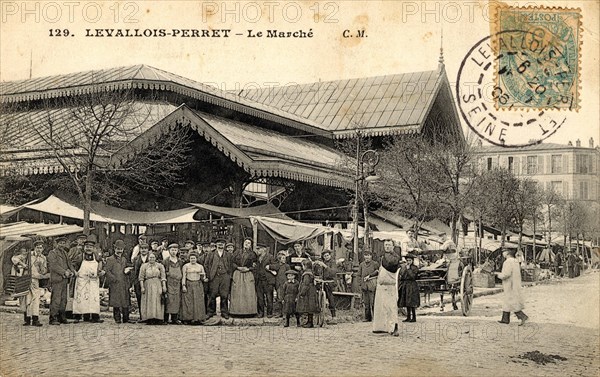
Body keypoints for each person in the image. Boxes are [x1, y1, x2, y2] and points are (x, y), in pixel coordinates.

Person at [15, 240, 50, 327]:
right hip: (26, 279)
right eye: (37, 247)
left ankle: (35, 319)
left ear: (43, 249)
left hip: (35, 280)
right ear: (34, 248)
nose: (39, 249)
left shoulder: (43, 258)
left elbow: (44, 271)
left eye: (41, 248)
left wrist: (42, 267)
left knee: (36, 299)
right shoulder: (28, 254)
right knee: (26, 299)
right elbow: (14, 258)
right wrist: (23, 265)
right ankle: (27, 319)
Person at [72, 239, 105, 323]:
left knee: (93, 299)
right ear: (84, 248)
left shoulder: (97, 257)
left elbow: (101, 265)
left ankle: (95, 317)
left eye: (90, 247)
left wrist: (101, 271)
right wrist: (75, 272)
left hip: (93, 281)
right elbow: (72, 265)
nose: (88, 249)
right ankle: (78, 317)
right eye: (87, 247)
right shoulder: (79, 257)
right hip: (82, 281)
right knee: (81, 298)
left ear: (93, 248)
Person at [373, 239, 400, 336]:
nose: (387, 247)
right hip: (381, 285)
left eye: (389, 245)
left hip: (390, 285)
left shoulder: (395, 257)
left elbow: (390, 264)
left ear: (393, 246)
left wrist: (384, 256)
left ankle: (393, 327)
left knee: (391, 307)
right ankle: (382, 327)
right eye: (385, 245)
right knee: (381, 306)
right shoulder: (382, 256)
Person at [495, 248, 528, 326]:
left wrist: (497, 275)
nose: (503, 254)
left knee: (511, 301)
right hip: (515, 283)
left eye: (503, 252)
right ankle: (505, 319)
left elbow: (506, 274)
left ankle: (522, 316)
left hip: (509, 284)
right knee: (508, 301)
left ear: (507, 253)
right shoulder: (515, 261)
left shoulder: (507, 262)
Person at [47, 236, 75, 325]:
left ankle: (62, 316)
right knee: (56, 299)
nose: (62, 245)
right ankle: (53, 317)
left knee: (63, 299)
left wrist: (72, 271)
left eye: (63, 243)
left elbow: (69, 263)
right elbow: (53, 265)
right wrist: (64, 272)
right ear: (56, 244)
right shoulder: (52, 253)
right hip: (57, 279)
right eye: (60, 243)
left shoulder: (65, 253)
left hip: (65, 279)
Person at [104, 239, 134, 324]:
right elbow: (107, 271)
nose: (119, 251)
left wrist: (128, 271)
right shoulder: (110, 259)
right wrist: (113, 279)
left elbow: (126, 269)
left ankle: (126, 318)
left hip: (124, 283)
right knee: (116, 301)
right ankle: (117, 318)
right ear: (114, 249)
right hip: (115, 283)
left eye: (121, 249)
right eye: (118, 249)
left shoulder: (124, 259)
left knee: (125, 301)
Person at [204, 239, 234, 319]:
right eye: (219, 243)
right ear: (216, 244)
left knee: (224, 295)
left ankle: (224, 312)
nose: (220, 245)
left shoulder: (228, 255)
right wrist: (209, 275)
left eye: (222, 243)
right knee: (212, 295)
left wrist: (229, 275)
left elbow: (231, 265)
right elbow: (206, 265)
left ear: (224, 245)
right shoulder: (211, 254)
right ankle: (211, 312)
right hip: (214, 277)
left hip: (225, 277)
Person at [230, 238, 258, 316]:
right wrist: (238, 267)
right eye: (245, 242)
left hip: (248, 274)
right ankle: (236, 312)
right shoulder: (237, 252)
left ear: (251, 245)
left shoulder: (253, 254)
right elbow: (232, 262)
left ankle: (249, 312)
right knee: (237, 292)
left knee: (248, 292)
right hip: (238, 273)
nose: (247, 244)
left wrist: (248, 269)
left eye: (249, 243)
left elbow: (255, 265)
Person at [139, 252, 167, 325]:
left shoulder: (160, 266)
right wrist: (142, 287)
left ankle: (158, 318)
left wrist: (164, 286)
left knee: (157, 300)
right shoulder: (144, 266)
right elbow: (141, 277)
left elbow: (163, 277)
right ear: (148, 258)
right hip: (148, 284)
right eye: (150, 257)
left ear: (156, 258)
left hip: (157, 284)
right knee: (149, 300)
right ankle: (149, 318)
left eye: (153, 257)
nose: (151, 259)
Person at [181, 252, 208, 325]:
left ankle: (198, 318)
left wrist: (204, 279)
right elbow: (183, 276)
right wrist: (183, 285)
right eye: (191, 258)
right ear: (189, 259)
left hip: (198, 284)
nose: (192, 260)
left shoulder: (200, 266)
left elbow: (204, 276)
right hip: (189, 284)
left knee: (198, 301)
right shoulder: (186, 266)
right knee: (188, 302)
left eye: (194, 258)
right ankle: (188, 319)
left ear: (196, 259)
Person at [163, 243, 184, 325]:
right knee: (168, 300)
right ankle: (165, 318)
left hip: (177, 283)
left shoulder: (180, 261)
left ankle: (174, 318)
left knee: (176, 300)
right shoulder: (166, 261)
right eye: (172, 250)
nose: (174, 252)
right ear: (169, 251)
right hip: (169, 282)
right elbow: (163, 272)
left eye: (175, 250)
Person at [314, 249, 337, 322]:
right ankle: (319, 314)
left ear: (330, 255)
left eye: (327, 255)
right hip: (323, 281)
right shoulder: (322, 262)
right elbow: (319, 272)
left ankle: (334, 316)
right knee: (318, 295)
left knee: (330, 298)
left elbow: (333, 272)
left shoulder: (333, 262)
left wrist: (325, 266)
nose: (326, 257)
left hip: (330, 281)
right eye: (325, 256)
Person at [255, 244, 277, 318]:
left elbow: (277, 266)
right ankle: (260, 313)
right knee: (260, 297)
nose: (257, 251)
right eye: (257, 249)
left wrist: (270, 266)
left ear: (264, 249)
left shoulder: (270, 257)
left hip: (268, 281)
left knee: (269, 297)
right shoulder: (257, 258)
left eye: (259, 249)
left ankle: (269, 313)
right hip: (259, 281)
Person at [296, 259, 319, 328]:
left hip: (308, 292)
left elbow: (306, 284)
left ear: (305, 266)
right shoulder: (310, 272)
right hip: (311, 291)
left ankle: (310, 323)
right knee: (310, 307)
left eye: (302, 265)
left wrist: (302, 293)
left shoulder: (306, 274)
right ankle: (309, 321)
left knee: (309, 307)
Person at [358, 250, 379, 322]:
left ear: (371, 256)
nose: (367, 257)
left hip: (372, 285)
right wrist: (360, 284)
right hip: (364, 286)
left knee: (373, 302)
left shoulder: (375, 264)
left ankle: (376, 318)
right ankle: (367, 317)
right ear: (364, 256)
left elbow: (377, 272)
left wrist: (370, 276)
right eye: (366, 255)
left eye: (368, 255)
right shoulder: (361, 264)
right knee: (366, 303)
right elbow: (359, 275)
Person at [399, 253, 420, 322]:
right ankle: (408, 317)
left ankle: (413, 317)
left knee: (412, 302)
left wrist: (408, 270)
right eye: (407, 260)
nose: (408, 262)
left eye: (410, 260)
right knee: (406, 301)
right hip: (406, 285)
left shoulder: (415, 268)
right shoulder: (405, 267)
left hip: (412, 285)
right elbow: (402, 275)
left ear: (412, 261)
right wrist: (404, 269)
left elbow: (413, 276)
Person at [132, 243, 150, 320]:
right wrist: (134, 283)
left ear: (148, 250)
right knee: (140, 298)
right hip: (138, 281)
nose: (143, 250)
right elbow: (134, 271)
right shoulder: (136, 259)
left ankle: (149, 316)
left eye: (145, 248)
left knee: (149, 298)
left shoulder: (151, 258)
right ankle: (142, 316)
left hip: (149, 281)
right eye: (142, 248)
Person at [274, 250, 290, 317]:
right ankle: (279, 312)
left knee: (285, 298)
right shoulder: (277, 266)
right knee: (279, 298)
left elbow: (289, 274)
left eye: (285, 258)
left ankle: (286, 313)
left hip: (285, 284)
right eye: (283, 258)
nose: (284, 260)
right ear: (279, 259)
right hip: (278, 284)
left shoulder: (287, 266)